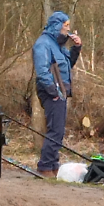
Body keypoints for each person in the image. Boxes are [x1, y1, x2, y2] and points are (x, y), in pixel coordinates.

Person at [32, 11, 82, 177]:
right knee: (55, 130)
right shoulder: (43, 44)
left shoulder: (59, 45)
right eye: (65, 25)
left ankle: (53, 165)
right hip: (52, 91)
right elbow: (42, 71)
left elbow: (68, 64)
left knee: (58, 130)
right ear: (57, 25)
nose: (68, 28)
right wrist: (53, 91)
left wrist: (76, 48)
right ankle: (45, 167)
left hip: (62, 90)